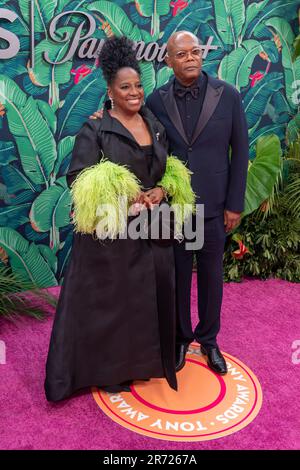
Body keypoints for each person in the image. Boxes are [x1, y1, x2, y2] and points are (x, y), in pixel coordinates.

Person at [44, 36, 194, 402]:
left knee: (143, 302)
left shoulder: (153, 124)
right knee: (111, 306)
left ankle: (141, 365)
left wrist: (161, 190)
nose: (134, 92)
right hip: (109, 237)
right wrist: (123, 191)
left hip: (151, 231)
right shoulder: (94, 129)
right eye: (125, 87)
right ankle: (108, 372)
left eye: (139, 85)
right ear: (110, 91)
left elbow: (167, 167)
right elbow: (79, 178)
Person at [145, 31, 249, 375]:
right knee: (177, 277)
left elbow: (241, 152)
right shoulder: (156, 101)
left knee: (210, 275)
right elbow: (145, 146)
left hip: (216, 205)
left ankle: (209, 341)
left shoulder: (228, 96)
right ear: (169, 61)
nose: (190, 58)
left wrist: (235, 204)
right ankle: (180, 338)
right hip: (177, 208)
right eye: (181, 54)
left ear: (201, 55)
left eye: (195, 52)